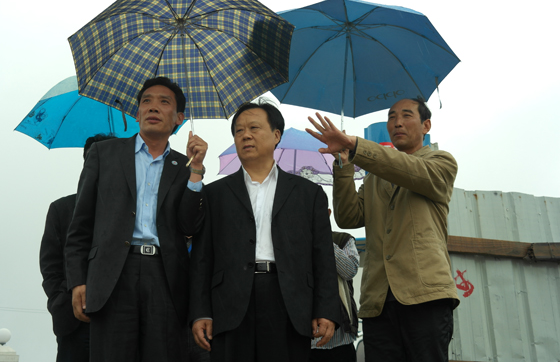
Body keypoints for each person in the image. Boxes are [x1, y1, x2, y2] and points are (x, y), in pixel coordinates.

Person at [64, 76, 208, 362]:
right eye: (146, 101)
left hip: (166, 277)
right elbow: (80, 225)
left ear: (179, 118)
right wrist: (78, 280)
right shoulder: (104, 154)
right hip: (112, 276)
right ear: (138, 112)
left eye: (164, 102)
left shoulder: (184, 166)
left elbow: (190, 226)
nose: (153, 107)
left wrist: (197, 171)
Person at [307, 98, 460, 362]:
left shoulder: (441, 162)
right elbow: (348, 216)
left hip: (425, 296)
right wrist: (344, 164)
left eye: (406, 115)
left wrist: (354, 144)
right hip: (377, 301)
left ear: (426, 125)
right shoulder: (374, 177)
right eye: (391, 117)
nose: (397, 122)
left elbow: (407, 169)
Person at [189, 100, 341, 362]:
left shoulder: (308, 193)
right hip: (229, 303)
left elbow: (323, 257)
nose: (245, 135)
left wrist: (326, 309)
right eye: (239, 130)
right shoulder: (214, 194)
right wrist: (201, 312)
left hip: (289, 301)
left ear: (276, 135)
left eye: (254, 128)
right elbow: (202, 258)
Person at [40, 134, 116, 362]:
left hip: (120, 319)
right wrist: (60, 299)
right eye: (94, 159)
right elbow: (50, 265)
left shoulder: (132, 210)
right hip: (73, 320)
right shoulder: (61, 208)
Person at [310, 222, 359, 362]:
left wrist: (323, 239)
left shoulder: (343, 240)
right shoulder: (293, 240)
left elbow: (349, 271)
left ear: (328, 213)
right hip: (304, 342)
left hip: (341, 341)